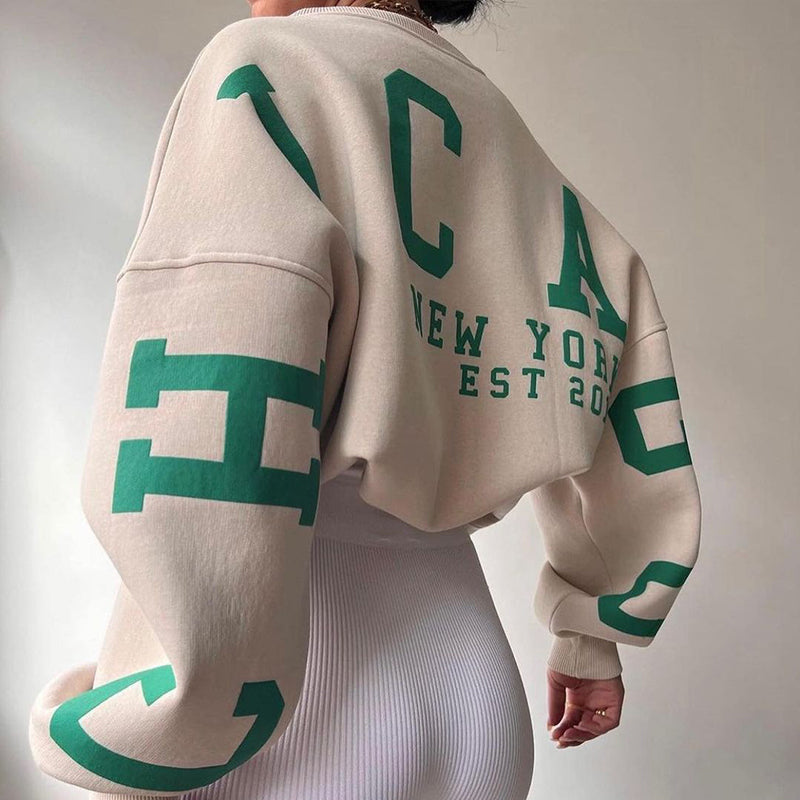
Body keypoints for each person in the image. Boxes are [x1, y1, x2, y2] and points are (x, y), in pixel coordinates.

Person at [27, 1, 702, 798]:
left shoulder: (264, 72)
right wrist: (593, 636)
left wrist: (181, 712)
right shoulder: (509, 141)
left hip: (288, 701)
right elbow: (627, 376)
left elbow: (212, 409)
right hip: (473, 686)